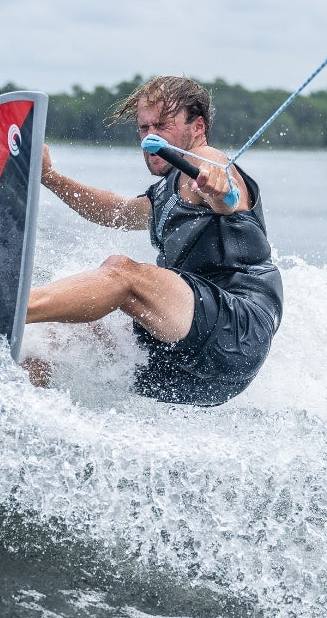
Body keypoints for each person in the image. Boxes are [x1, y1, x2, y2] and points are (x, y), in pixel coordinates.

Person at [25, 75, 283, 406]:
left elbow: (225, 194)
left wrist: (219, 188)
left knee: (123, 273)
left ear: (198, 126)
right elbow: (114, 210)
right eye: (144, 128)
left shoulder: (207, 164)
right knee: (50, 343)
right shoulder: (164, 194)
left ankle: (19, 306)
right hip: (190, 373)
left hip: (238, 331)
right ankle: (16, 427)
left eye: (162, 125)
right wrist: (49, 177)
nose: (150, 137)